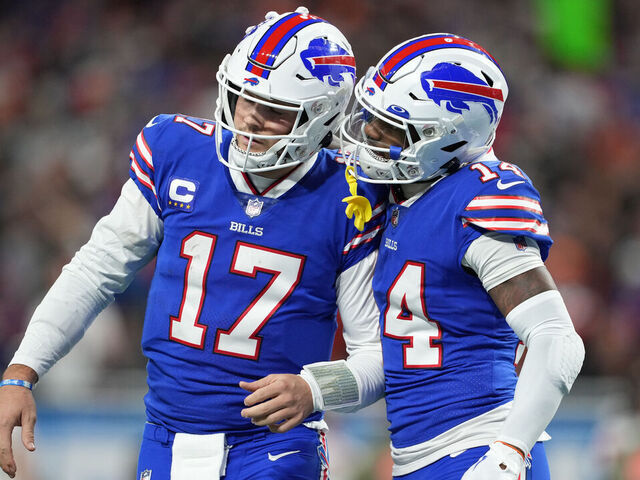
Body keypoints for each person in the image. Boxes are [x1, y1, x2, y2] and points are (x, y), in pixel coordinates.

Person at [0, 8, 387, 480]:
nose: (250, 118)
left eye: (274, 111)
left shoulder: (350, 197)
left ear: (321, 117)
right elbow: (95, 270)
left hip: (274, 446)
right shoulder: (177, 152)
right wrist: (22, 369)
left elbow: (377, 356)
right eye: (245, 98)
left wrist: (314, 388)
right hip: (164, 435)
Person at [338, 33, 585, 479]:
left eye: (391, 128)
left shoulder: (476, 198)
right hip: (420, 456)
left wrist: (509, 453)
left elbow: (556, 338)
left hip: (479, 448)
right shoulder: (399, 195)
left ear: (446, 139)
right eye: (371, 118)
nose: (370, 135)